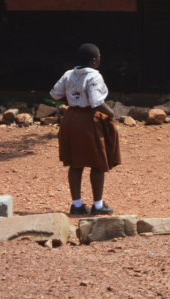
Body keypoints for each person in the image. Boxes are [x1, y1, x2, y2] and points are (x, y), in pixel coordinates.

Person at [50, 44, 120, 216]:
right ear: (95, 60)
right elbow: (96, 102)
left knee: (76, 162)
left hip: (70, 118)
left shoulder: (68, 74)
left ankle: (77, 204)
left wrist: (73, 98)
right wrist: (112, 113)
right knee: (97, 162)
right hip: (89, 119)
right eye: (99, 56)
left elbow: (55, 94)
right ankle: (97, 205)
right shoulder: (94, 76)